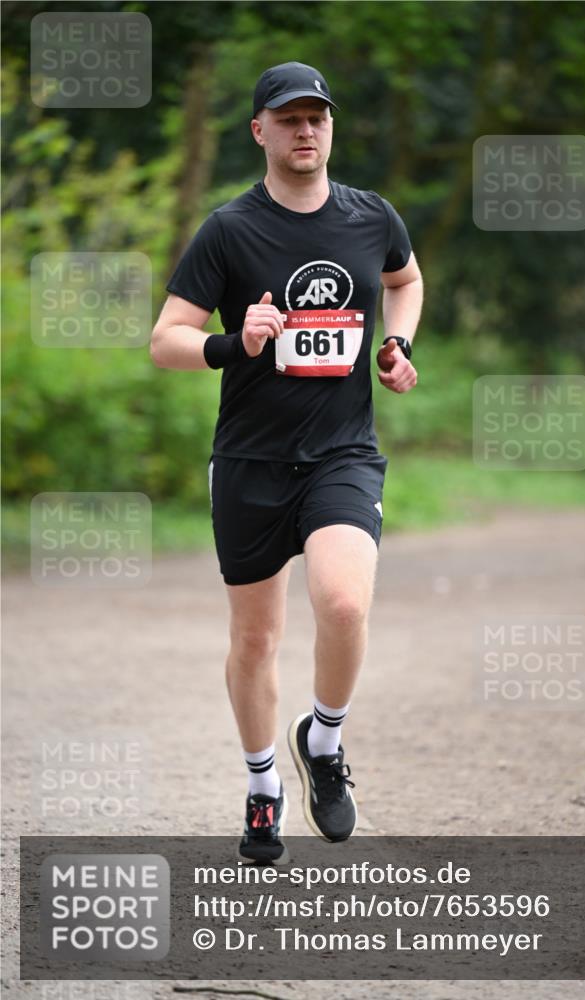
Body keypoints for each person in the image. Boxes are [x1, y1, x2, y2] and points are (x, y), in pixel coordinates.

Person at [150, 62, 422, 863]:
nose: (306, 131)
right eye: (288, 118)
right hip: (249, 461)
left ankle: (325, 742)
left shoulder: (372, 217)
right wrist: (238, 343)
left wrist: (397, 342)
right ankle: (263, 787)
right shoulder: (229, 230)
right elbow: (165, 339)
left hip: (341, 453)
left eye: (318, 118)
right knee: (255, 641)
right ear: (259, 131)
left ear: (331, 128)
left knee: (342, 605)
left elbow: (404, 280)